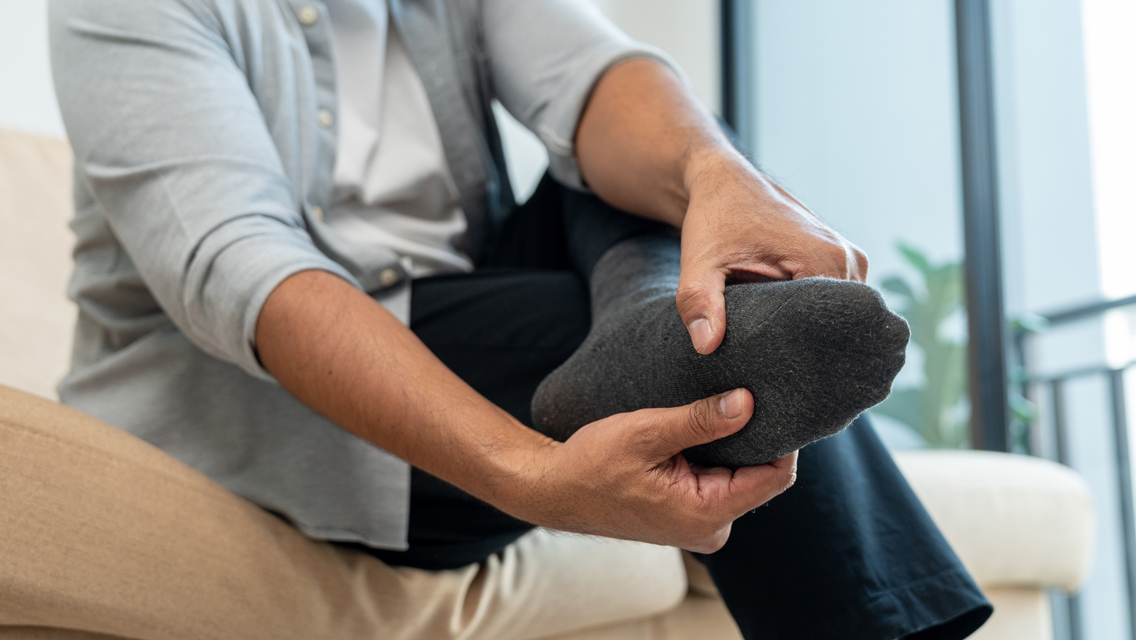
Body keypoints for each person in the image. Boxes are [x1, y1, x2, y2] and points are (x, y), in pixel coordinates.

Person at [49, 0, 991, 638]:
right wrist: (529, 474)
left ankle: (644, 326)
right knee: (727, 332)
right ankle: (646, 338)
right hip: (276, 390)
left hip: (485, 306)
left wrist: (719, 180)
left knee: (655, 165)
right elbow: (250, 272)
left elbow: (591, 75)